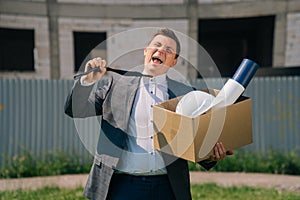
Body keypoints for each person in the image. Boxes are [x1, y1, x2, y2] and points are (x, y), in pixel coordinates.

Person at [64, 28, 233, 200]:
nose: (161, 51)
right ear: (146, 51)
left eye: (169, 50)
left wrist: (211, 155)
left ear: (174, 61)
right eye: (157, 45)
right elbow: (75, 110)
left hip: (168, 187)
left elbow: (194, 141)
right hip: (122, 187)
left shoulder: (186, 94)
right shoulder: (115, 85)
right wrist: (86, 81)